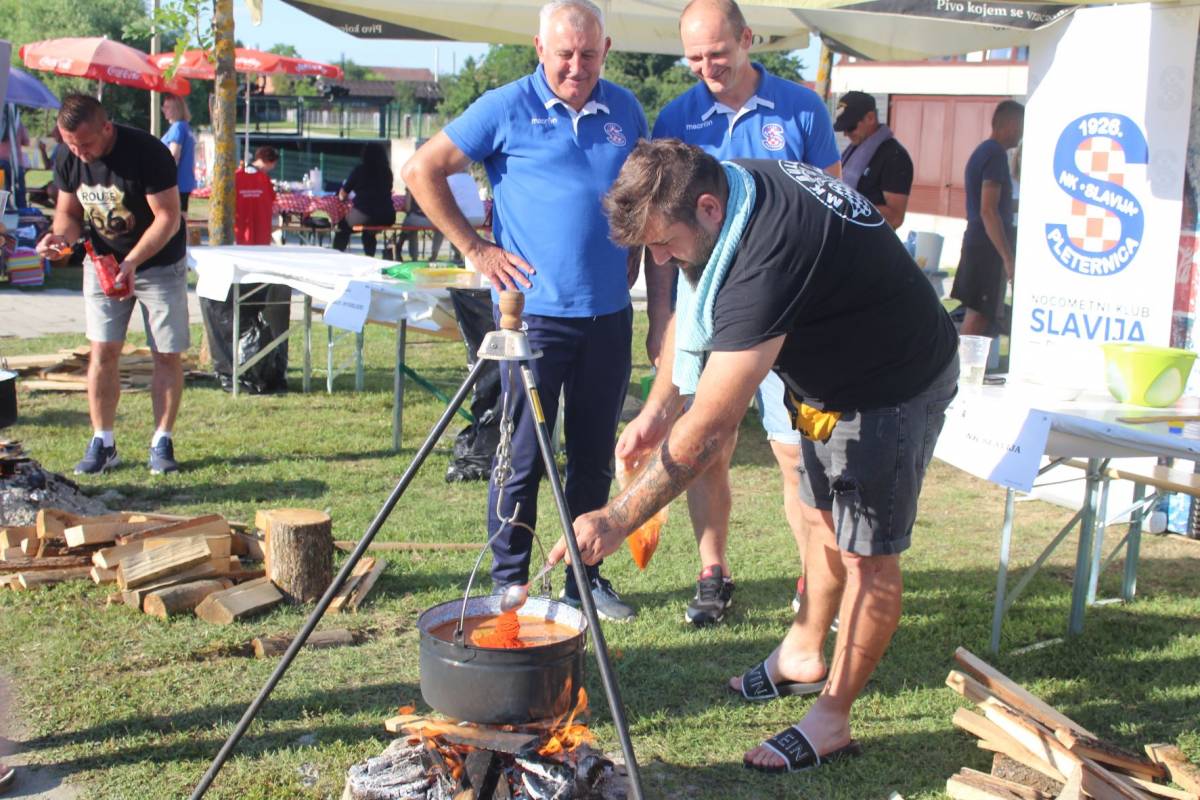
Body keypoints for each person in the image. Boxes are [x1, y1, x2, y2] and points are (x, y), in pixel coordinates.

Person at [547, 139, 958, 772]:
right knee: (817, 520)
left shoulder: (766, 256)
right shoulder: (728, 194)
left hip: (891, 386)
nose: (657, 259)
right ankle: (802, 652)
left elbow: (710, 429)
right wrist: (658, 410)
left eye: (662, 243)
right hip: (827, 379)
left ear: (707, 209)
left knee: (867, 556)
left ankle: (832, 718)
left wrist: (616, 517)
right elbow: (694, 297)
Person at [402, 0, 648, 620]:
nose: (576, 67)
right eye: (564, 54)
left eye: (589, 55)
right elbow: (422, 168)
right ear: (539, 49)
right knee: (523, 453)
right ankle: (510, 582)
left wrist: (638, 252)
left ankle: (584, 582)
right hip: (532, 318)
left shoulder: (624, 109)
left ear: (606, 50)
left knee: (593, 454)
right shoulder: (504, 106)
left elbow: (642, 193)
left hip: (610, 316)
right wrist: (475, 248)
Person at [649, 0, 842, 627]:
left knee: (796, 453)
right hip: (709, 308)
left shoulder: (801, 108)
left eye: (718, 53)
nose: (707, 66)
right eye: (695, 56)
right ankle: (713, 573)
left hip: (789, 309)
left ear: (747, 39)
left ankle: (813, 582)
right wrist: (663, 321)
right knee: (706, 444)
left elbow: (832, 203)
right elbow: (661, 232)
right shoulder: (676, 118)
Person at [35, 94, 189, 475]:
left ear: (106, 127)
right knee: (102, 350)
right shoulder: (68, 156)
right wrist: (61, 241)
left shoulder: (147, 152)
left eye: (85, 143)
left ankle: (161, 440)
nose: (79, 152)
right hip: (103, 264)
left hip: (158, 264)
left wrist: (134, 261)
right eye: (71, 144)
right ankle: (103, 442)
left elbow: (168, 217)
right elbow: (68, 214)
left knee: (166, 354)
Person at [951, 100, 1024, 337]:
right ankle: (961, 371)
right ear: (1011, 124)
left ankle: (967, 369)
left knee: (984, 315)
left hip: (980, 242)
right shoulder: (994, 154)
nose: (1021, 134)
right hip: (986, 245)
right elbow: (988, 210)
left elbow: (996, 205)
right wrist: (1008, 258)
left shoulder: (985, 151)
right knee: (979, 315)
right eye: (1021, 127)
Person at [833, 91, 913, 230]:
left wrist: (847, 207)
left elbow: (895, 217)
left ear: (870, 118)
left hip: (870, 244)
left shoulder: (895, 156)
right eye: (843, 129)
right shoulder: (853, 151)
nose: (846, 134)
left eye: (850, 127)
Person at [333, 142, 396, 258]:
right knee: (368, 230)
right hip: (388, 215)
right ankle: (370, 256)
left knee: (343, 227)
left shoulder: (360, 170)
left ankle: (337, 255)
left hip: (365, 212)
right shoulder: (387, 172)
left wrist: (343, 197)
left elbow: (343, 194)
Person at [235, 145, 279, 246]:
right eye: (273, 164)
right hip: (261, 229)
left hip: (241, 229)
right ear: (269, 162)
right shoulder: (264, 179)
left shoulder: (236, 176)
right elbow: (273, 198)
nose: (273, 167)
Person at [160, 95, 196, 213]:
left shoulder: (177, 127)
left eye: (167, 107)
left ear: (176, 108)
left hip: (175, 182)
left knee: (174, 220)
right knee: (182, 217)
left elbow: (173, 156)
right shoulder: (186, 127)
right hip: (185, 181)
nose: (163, 109)